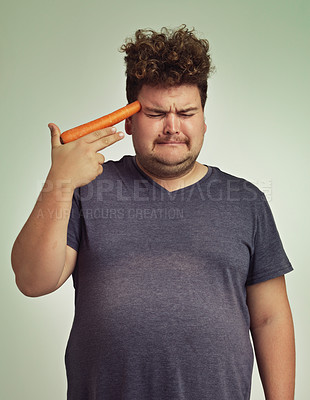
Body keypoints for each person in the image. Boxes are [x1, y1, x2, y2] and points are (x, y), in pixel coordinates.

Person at [11, 25, 295, 399]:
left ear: (205, 120)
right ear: (129, 122)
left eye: (187, 112)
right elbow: (33, 281)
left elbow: (270, 317)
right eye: (156, 113)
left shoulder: (246, 201)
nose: (173, 127)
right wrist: (59, 183)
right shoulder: (86, 189)